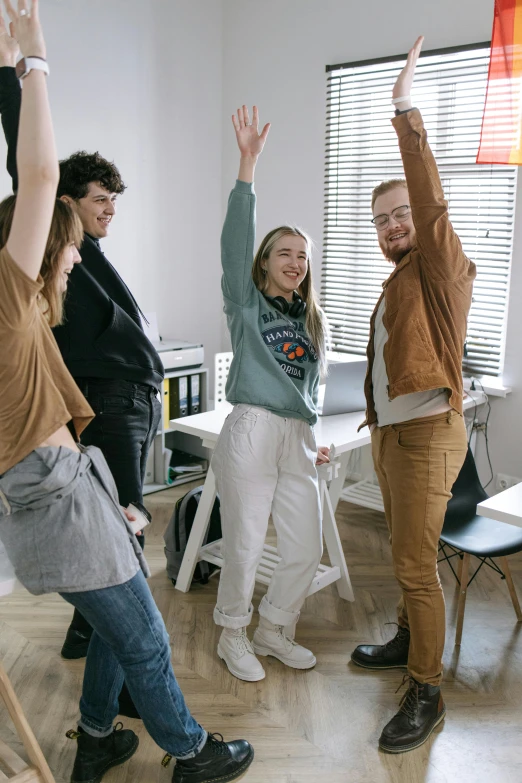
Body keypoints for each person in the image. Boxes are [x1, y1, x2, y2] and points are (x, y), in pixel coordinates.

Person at [0, 4, 253, 782]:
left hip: (65, 482)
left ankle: (100, 731)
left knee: (121, 611)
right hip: (57, 491)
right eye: (70, 247)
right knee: (143, 632)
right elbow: (37, 175)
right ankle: (190, 751)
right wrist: (29, 60)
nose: (77, 261)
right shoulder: (10, 301)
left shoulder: (29, 315)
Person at [0, 20, 163, 673]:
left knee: (116, 540)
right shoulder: (57, 256)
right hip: (111, 405)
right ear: (66, 206)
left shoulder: (85, 262)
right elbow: (29, 160)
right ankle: (129, 678)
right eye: (100, 200)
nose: (110, 211)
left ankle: (90, 641)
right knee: (123, 551)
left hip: (130, 404)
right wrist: (16, 66)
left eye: (116, 201)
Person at [350, 37, 476, 753]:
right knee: (406, 556)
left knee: (414, 565)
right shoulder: (397, 283)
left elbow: (428, 202)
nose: (395, 225)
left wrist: (405, 109)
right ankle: (407, 639)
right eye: (383, 220)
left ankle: (426, 689)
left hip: (428, 435)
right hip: (393, 436)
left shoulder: (441, 269)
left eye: (401, 214)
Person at [212, 105, 330, 683]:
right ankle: (232, 633)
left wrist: (312, 432)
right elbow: (234, 244)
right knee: (246, 544)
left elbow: (310, 385)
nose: (295, 262)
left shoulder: (312, 320)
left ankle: (274, 628)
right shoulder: (246, 303)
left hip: (297, 435)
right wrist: (247, 167)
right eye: (284, 252)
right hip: (253, 428)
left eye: (303, 256)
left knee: (306, 546)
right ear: (264, 263)